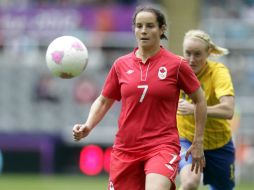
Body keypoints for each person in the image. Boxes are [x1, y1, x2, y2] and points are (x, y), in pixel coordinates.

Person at [73, 6, 207, 190]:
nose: (143, 30)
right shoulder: (121, 65)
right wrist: (88, 125)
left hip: (162, 145)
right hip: (125, 148)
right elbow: (104, 100)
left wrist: (198, 141)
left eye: (150, 26)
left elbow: (200, 100)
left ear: (162, 29)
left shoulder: (177, 65)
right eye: (139, 26)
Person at [177, 29, 235, 190]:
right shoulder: (176, 70)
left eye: (197, 54)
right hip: (187, 139)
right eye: (187, 53)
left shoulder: (218, 72)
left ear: (208, 52)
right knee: (189, 183)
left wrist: (194, 108)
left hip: (219, 144)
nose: (191, 59)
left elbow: (228, 110)